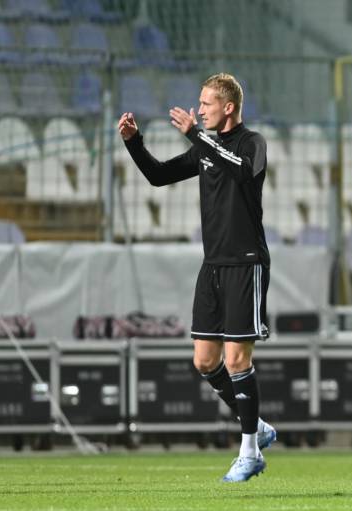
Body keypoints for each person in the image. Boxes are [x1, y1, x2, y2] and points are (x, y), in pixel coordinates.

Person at [118, 73, 275, 483]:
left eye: (206, 103)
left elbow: (241, 172)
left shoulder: (252, 143)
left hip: (245, 264)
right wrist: (134, 143)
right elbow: (158, 175)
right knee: (205, 360)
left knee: (237, 360)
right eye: (200, 104)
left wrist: (195, 135)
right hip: (213, 266)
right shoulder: (205, 148)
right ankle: (256, 425)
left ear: (228, 106)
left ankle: (250, 451)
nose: (199, 109)